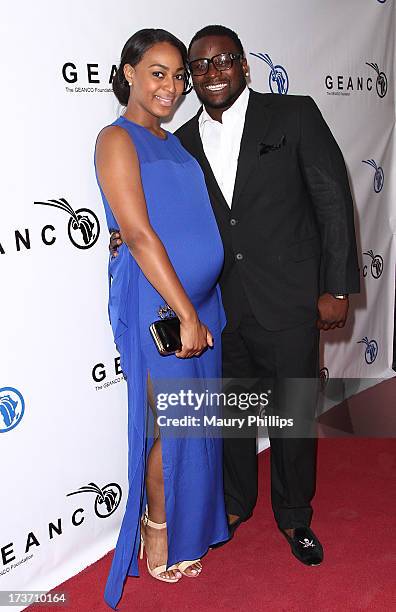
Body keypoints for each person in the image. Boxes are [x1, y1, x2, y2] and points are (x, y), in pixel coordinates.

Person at [110, 24, 360, 567]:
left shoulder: (293, 115)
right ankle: (235, 503)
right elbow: (161, 212)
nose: (210, 72)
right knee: (235, 421)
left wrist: (336, 285)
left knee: (291, 414)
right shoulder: (181, 144)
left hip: (290, 298)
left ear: (245, 66)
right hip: (221, 306)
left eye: (223, 60)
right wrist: (119, 233)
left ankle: (295, 517)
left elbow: (333, 199)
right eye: (197, 66)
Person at [95, 28, 229, 610]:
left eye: (178, 76)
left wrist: (202, 308)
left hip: (201, 304)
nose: (172, 87)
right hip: (160, 305)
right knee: (171, 424)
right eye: (158, 72)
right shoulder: (116, 139)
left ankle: (190, 525)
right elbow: (142, 235)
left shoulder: (176, 145)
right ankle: (157, 527)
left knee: (198, 421)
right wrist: (184, 311)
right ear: (128, 73)